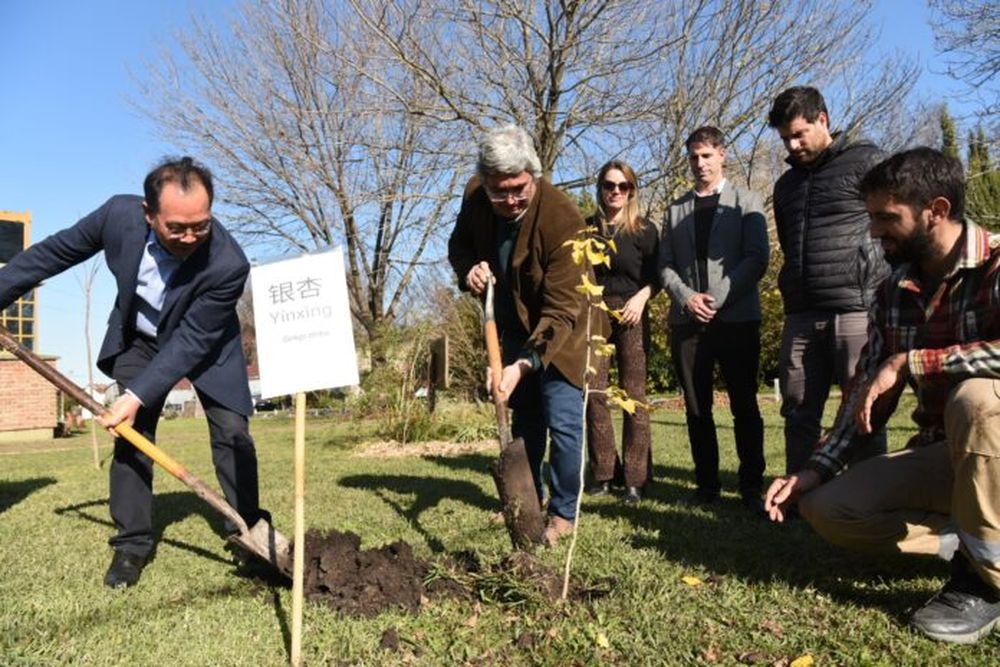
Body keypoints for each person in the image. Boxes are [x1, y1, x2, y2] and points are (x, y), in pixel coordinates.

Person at [765, 147, 1000, 644]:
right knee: (828, 508)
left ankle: (984, 582)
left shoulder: (997, 264)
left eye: (886, 218)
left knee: (976, 399)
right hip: (949, 455)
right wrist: (814, 470)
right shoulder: (892, 291)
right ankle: (969, 539)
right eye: (871, 217)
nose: (873, 231)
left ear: (935, 210)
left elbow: (909, 368)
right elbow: (865, 394)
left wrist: (912, 361)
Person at [0, 157, 270, 589]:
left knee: (233, 433)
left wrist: (136, 393)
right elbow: (54, 253)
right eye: (176, 227)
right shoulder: (117, 216)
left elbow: (191, 340)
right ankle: (132, 544)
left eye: (200, 226)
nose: (189, 237)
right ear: (148, 213)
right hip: (141, 340)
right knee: (132, 433)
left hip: (207, 345)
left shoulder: (228, 263)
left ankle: (250, 531)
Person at [448, 125, 591, 546]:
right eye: (500, 192)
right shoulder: (476, 196)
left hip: (564, 332)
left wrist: (525, 364)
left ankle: (563, 513)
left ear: (534, 175)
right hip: (511, 328)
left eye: (519, 189)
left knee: (563, 422)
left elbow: (563, 308)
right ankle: (528, 500)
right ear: (485, 182)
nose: (509, 200)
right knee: (527, 418)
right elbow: (459, 246)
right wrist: (469, 270)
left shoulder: (563, 218)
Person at [768, 86, 889, 476]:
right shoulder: (785, 186)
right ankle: (800, 497)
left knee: (863, 409)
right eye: (785, 138)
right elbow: (789, 242)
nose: (793, 145)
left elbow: (894, 226)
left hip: (856, 309)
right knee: (797, 408)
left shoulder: (867, 162)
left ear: (823, 119)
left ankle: (870, 495)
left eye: (799, 134)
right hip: (802, 313)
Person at [659, 126, 769, 512]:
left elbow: (757, 258)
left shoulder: (748, 202)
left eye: (706, 155)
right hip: (688, 322)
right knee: (696, 407)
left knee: (745, 405)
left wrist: (716, 298)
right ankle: (706, 486)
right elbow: (665, 264)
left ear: (722, 154)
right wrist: (687, 298)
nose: (700, 163)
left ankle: (751, 487)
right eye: (693, 156)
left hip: (737, 319)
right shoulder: (675, 210)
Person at [584, 160, 658, 505]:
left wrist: (642, 298)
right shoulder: (586, 230)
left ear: (631, 190)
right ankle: (603, 473)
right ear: (600, 188)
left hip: (633, 313)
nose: (615, 191)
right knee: (594, 393)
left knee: (634, 395)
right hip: (595, 315)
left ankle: (635, 478)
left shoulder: (644, 230)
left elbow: (658, 276)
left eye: (623, 186)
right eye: (609, 185)